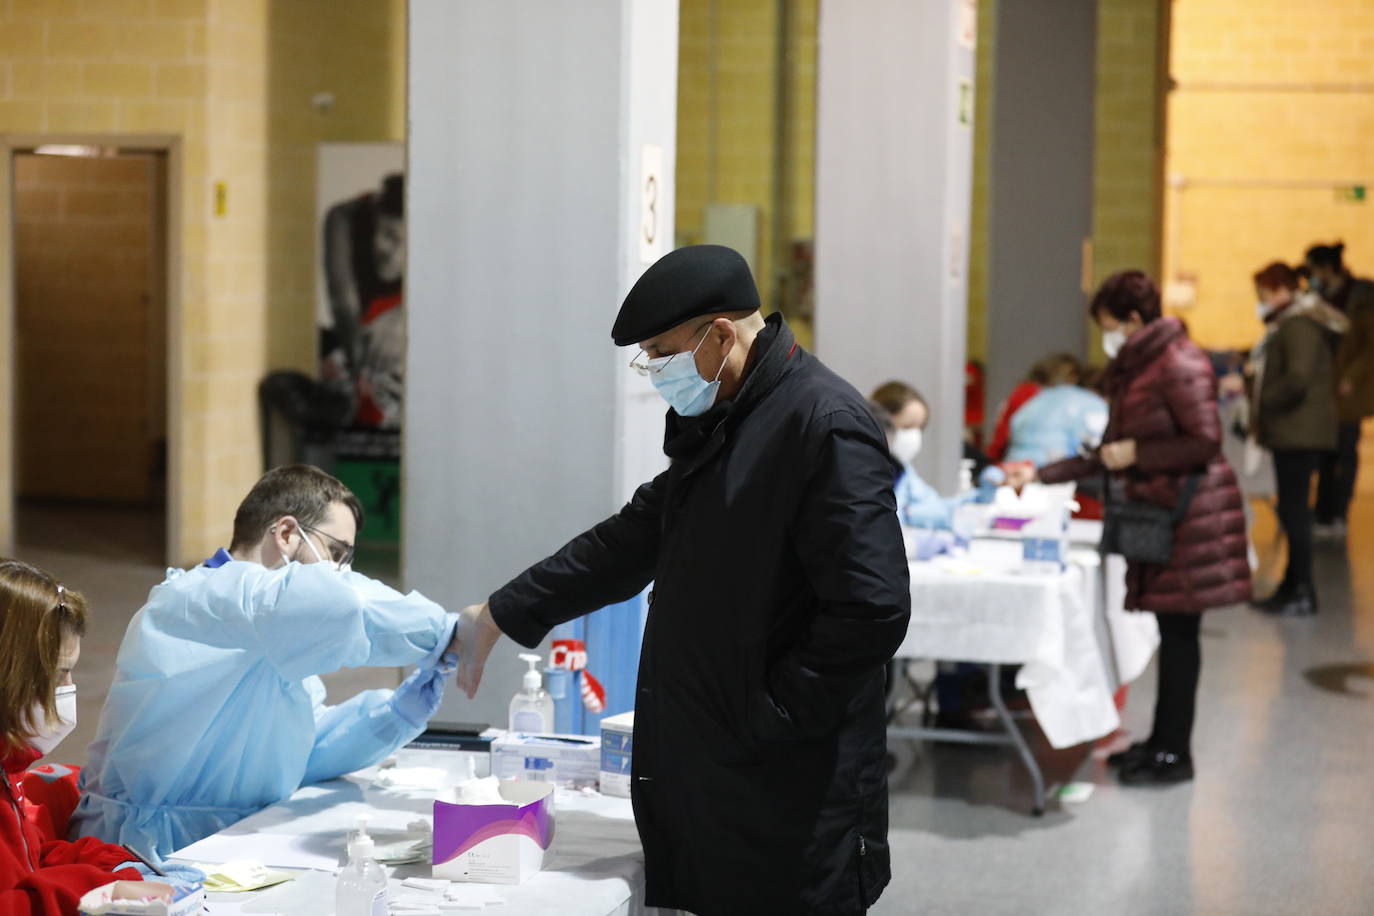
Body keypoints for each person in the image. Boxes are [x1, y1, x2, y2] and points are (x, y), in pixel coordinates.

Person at [448, 245, 911, 915]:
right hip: (730, 780)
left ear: (720, 336)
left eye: (661, 353)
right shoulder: (733, 419)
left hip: (794, 791)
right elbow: (633, 538)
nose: (653, 370)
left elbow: (872, 608)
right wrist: (503, 612)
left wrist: (770, 713)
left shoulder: (822, 426)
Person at [71, 465, 460, 861]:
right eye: (336, 553)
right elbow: (346, 604)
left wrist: (393, 716)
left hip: (228, 841)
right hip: (145, 851)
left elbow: (302, 749)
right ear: (287, 534)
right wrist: (452, 630)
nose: (340, 573)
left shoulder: (266, 623)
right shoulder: (201, 600)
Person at [1008, 271, 1250, 784]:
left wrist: (1138, 452)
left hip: (1190, 515)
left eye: (1109, 324)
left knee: (1181, 634)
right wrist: (1040, 473)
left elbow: (1205, 441)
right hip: (1163, 511)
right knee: (1171, 630)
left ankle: (1174, 754)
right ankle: (1162, 742)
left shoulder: (1178, 362)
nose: (1107, 335)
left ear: (1134, 320)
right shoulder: (1142, 365)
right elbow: (1109, 453)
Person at [0, 559, 175, 914]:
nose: (67, 689)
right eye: (59, 673)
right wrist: (95, 887)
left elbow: (25, 861)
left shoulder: (8, 763)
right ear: (11, 670)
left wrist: (113, 862)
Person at [1248, 262, 1347, 616]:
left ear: (1279, 290)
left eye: (1262, 293)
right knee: (1293, 510)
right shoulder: (1294, 323)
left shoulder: (1298, 326)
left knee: (1294, 511)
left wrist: (1265, 400)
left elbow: (1298, 378)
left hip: (1297, 431)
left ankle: (1301, 589)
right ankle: (1292, 584)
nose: (1260, 301)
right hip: (1297, 429)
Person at [1306, 243, 1374, 542]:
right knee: (1323, 453)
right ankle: (1321, 511)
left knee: (1344, 452)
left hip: (1348, 391)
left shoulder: (1362, 298)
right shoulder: (1315, 298)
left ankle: (1338, 514)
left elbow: (1370, 348)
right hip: (1322, 386)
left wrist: (1351, 377)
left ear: (1327, 267)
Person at [871, 380, 952, 529]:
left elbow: (939, 510)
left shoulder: (903, 472)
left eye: (920, 428)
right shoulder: (863, 470)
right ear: (881, 421)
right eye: (907, 427)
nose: (914, 437)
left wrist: (910, 513)